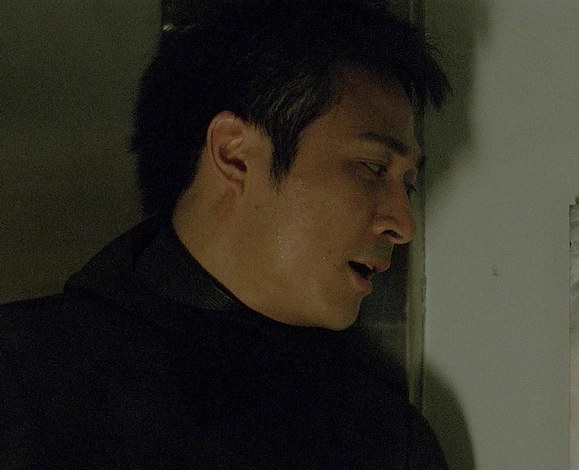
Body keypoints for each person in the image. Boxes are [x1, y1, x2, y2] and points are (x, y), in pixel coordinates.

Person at [0, 0, 449, 467]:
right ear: (234, 154)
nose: (404, 224)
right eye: (373, 168)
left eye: (408, 185)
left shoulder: (384, 439)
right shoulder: (22, 380)